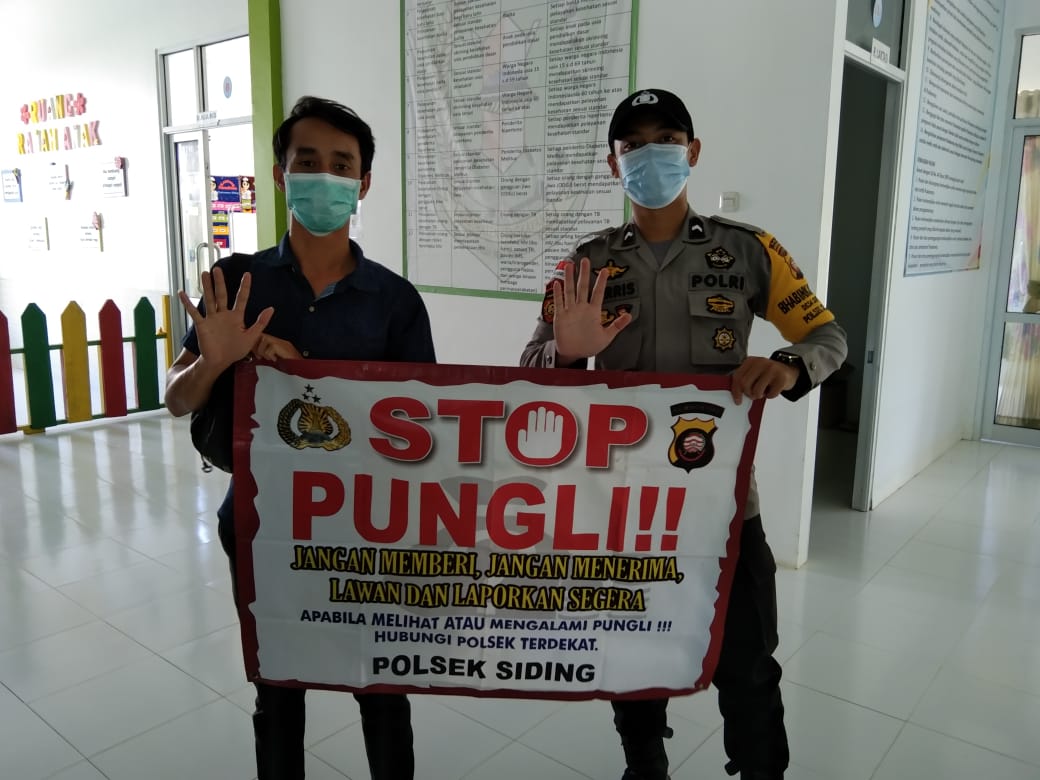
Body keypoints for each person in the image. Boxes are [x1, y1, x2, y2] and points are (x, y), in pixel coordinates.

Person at [520, 89, 848, 780]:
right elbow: (531, 368)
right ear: (615, 164)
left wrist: (789, 365)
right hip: (622, 507)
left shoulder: (749, 250)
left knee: (748, 662)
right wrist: (569, 353)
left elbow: (826, 335)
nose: (651, 154)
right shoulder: (585, 262)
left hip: (725, 505)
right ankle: (645, 765)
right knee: (630, 656)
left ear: (692, 152)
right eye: (633, 144)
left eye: (666, 139)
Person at [165, 96, 434, 780]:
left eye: (341, 165)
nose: (324, 176)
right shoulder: (235, 281)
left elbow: (424, 429)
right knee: (278, 685)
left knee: (382, 684)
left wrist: (307, 374)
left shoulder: (395, 300)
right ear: (281, 175)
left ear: (363, 183)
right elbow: (176, 398)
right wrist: (217, 360)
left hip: (368, 527)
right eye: (307, 161)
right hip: (261, 519)